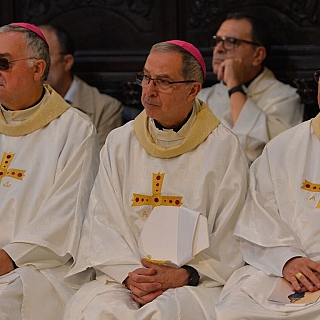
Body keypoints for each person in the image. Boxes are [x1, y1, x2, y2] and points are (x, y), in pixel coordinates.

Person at [62, 40, 249, 320]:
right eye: (146, 78)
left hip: (193, 283)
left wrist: (185, 275)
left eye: (163, 82)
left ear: (193, 90)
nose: (149, 91)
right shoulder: (120, 142)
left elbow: (231, 233)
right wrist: (130, 276)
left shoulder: (223, 148)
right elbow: (102, 220)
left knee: (166, 313)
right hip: (126, 278)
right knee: (96, 310)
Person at [0, 22, 99, 319]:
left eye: (3, 63)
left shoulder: (74, 129)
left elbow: (66, 215)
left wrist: (10, 256)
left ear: (37, 68)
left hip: (39, 268)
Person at [214, 71, 320, 319]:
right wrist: (288, 260)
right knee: (234, 310)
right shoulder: (283, 148)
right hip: (285, 266)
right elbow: (258, 214)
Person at [197, 12, 303, 162]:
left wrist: (234, 86)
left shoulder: (285, 97)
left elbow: (268, 154)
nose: (219, 49)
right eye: (218, 41)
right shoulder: (201, 98)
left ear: (258, 55)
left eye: (231, 42)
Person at [38, 24, 123, 148]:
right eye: (30, 58)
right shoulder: (15, 104)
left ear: (67, 62)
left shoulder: (105, 108)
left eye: (44, 57)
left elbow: (100, 163)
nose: (36, 66)